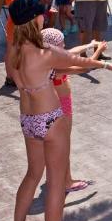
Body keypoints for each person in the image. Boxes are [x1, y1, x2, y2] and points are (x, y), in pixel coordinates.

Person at [6, 0, 112, 221]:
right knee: (56, 183)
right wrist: (100, 58)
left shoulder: (14, 51)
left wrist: (92, 51)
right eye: (42, 14)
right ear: (36, 19)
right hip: (51, 119)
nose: (44, 16)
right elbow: (76, 62)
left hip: (28, 119)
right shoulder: (43, 50)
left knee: (32, 174)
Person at [41, 29, 99, 194]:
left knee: (55, 144)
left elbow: (71, 52)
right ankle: (67, 181)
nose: (65, 46)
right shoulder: (57, 65)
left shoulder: (46, 59)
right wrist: (99, 51)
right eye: (61, 44)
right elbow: (85, 67)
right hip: (62, 108)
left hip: (56, 105)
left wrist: (90, 44)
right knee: (63, 144)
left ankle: (53, 176)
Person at [3, 0, 29, 86]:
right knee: (11, 52)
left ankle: (19, 74)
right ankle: (10, 76)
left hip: (23, 26)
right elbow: (15, 7)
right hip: (13, 27)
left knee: (22, 51)